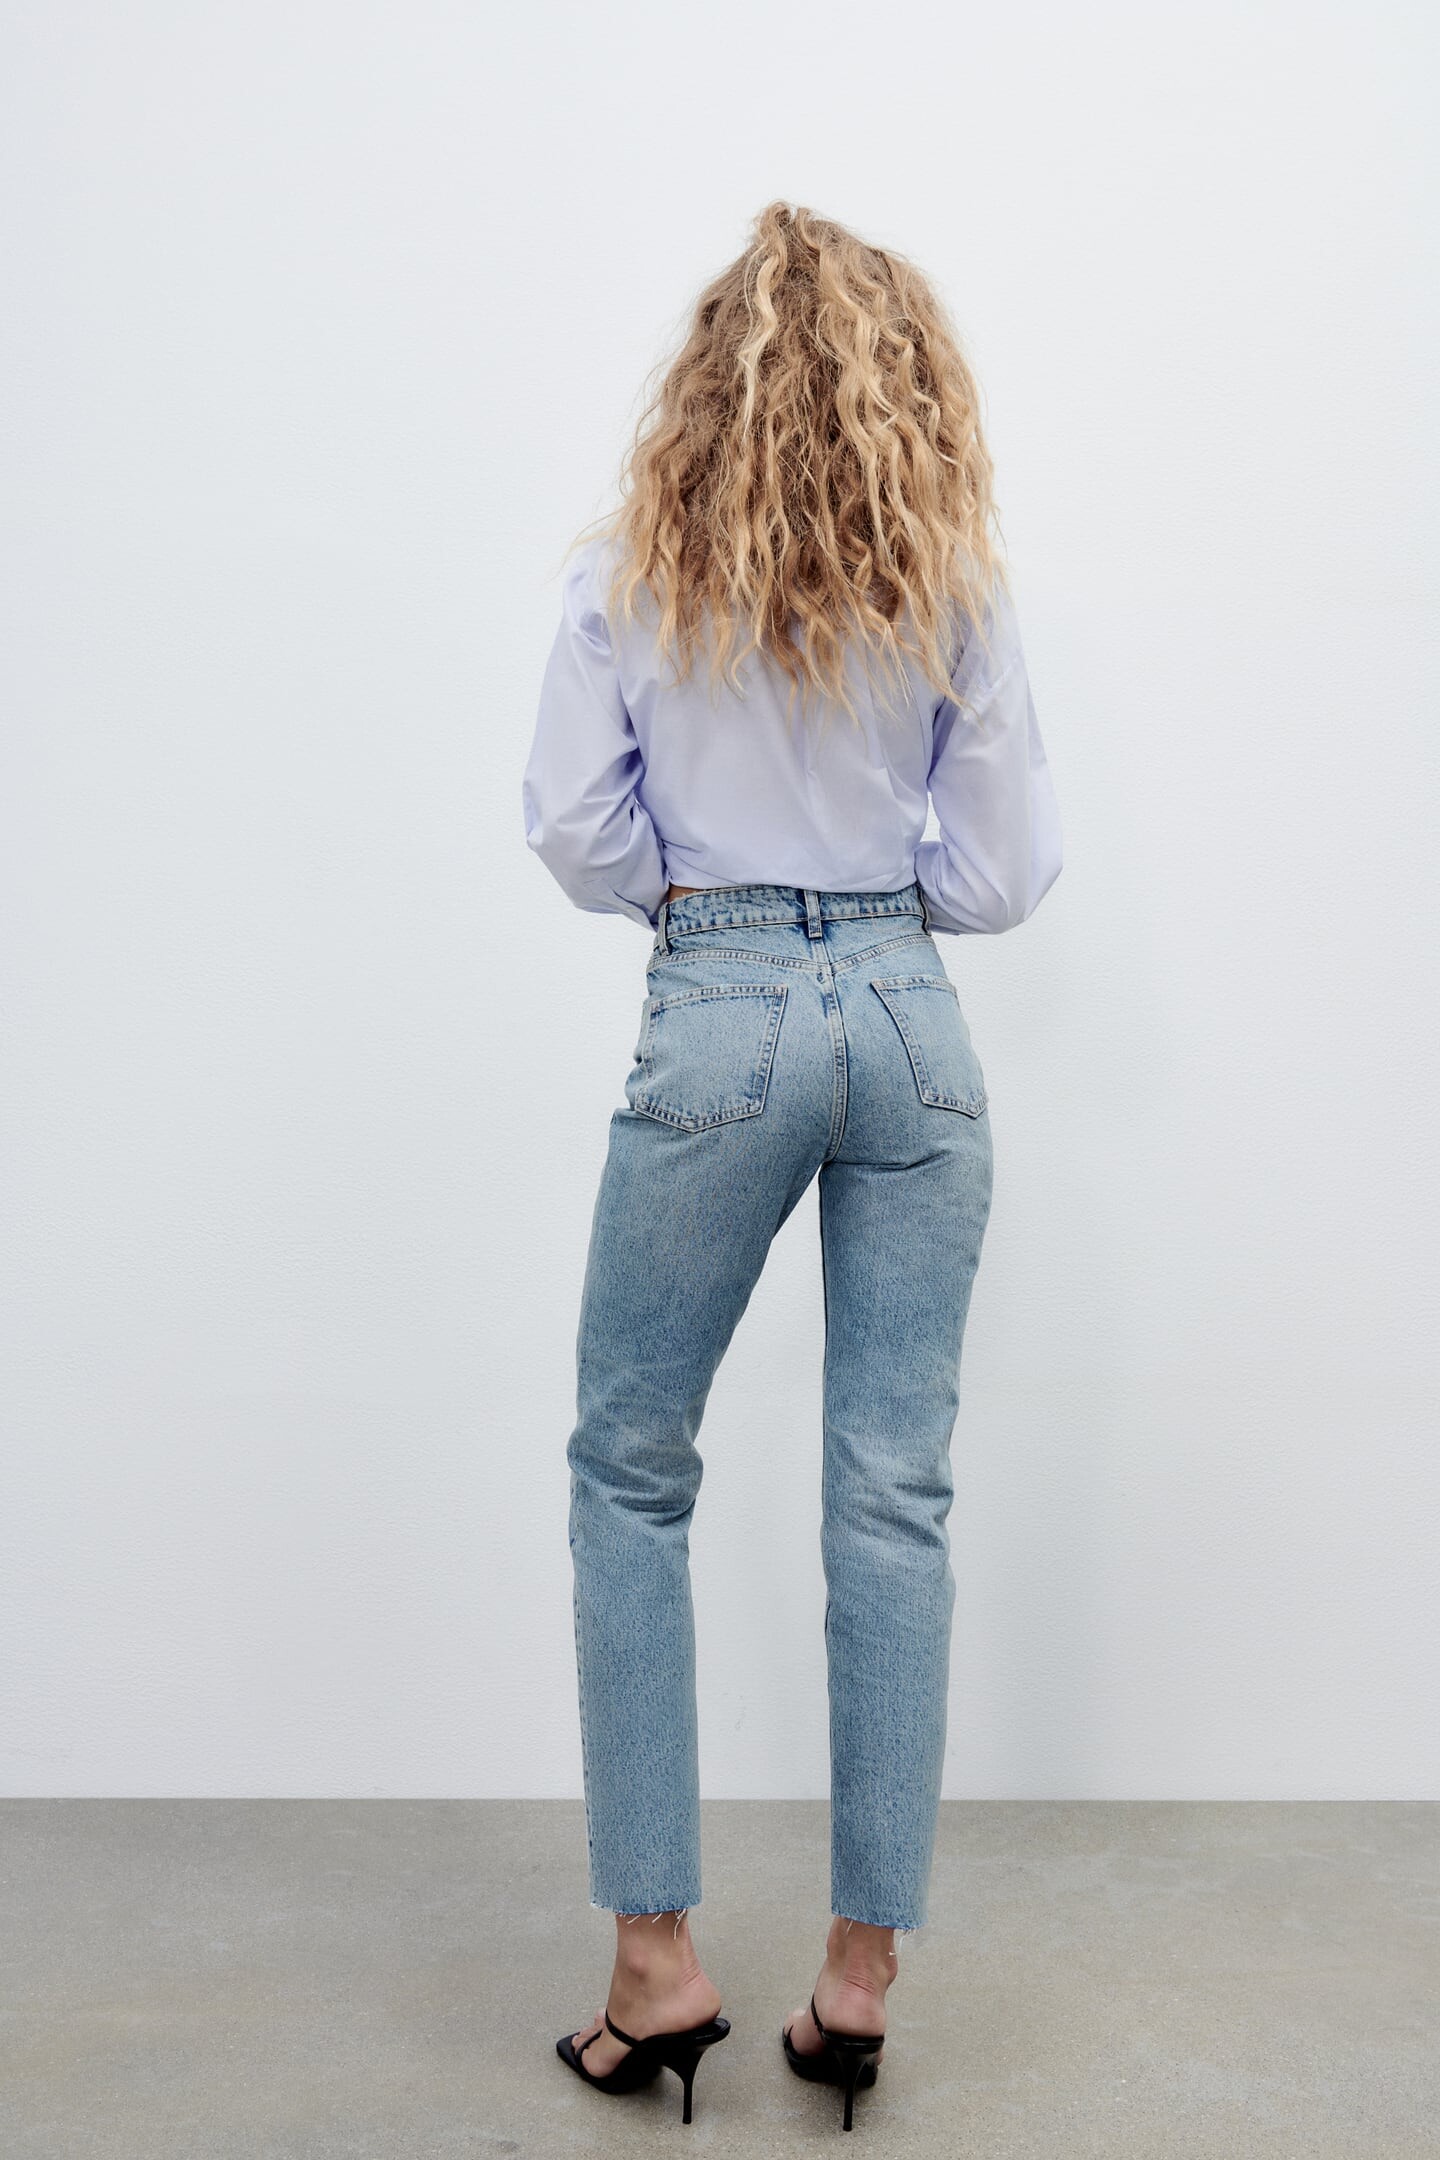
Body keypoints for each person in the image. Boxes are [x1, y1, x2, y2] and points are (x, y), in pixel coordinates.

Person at [521, 199, 1063, 2131]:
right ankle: (857, 1983)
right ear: (908, 386)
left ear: (707, 383)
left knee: (628, 1466)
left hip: (721, 1003)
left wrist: (708, 900)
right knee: (893, 1494)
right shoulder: (946, 582)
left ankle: (655, 1968)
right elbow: (1006, 871)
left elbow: (573, 826)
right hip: (911, 1020)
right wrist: (873, 911)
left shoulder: (627, 574)